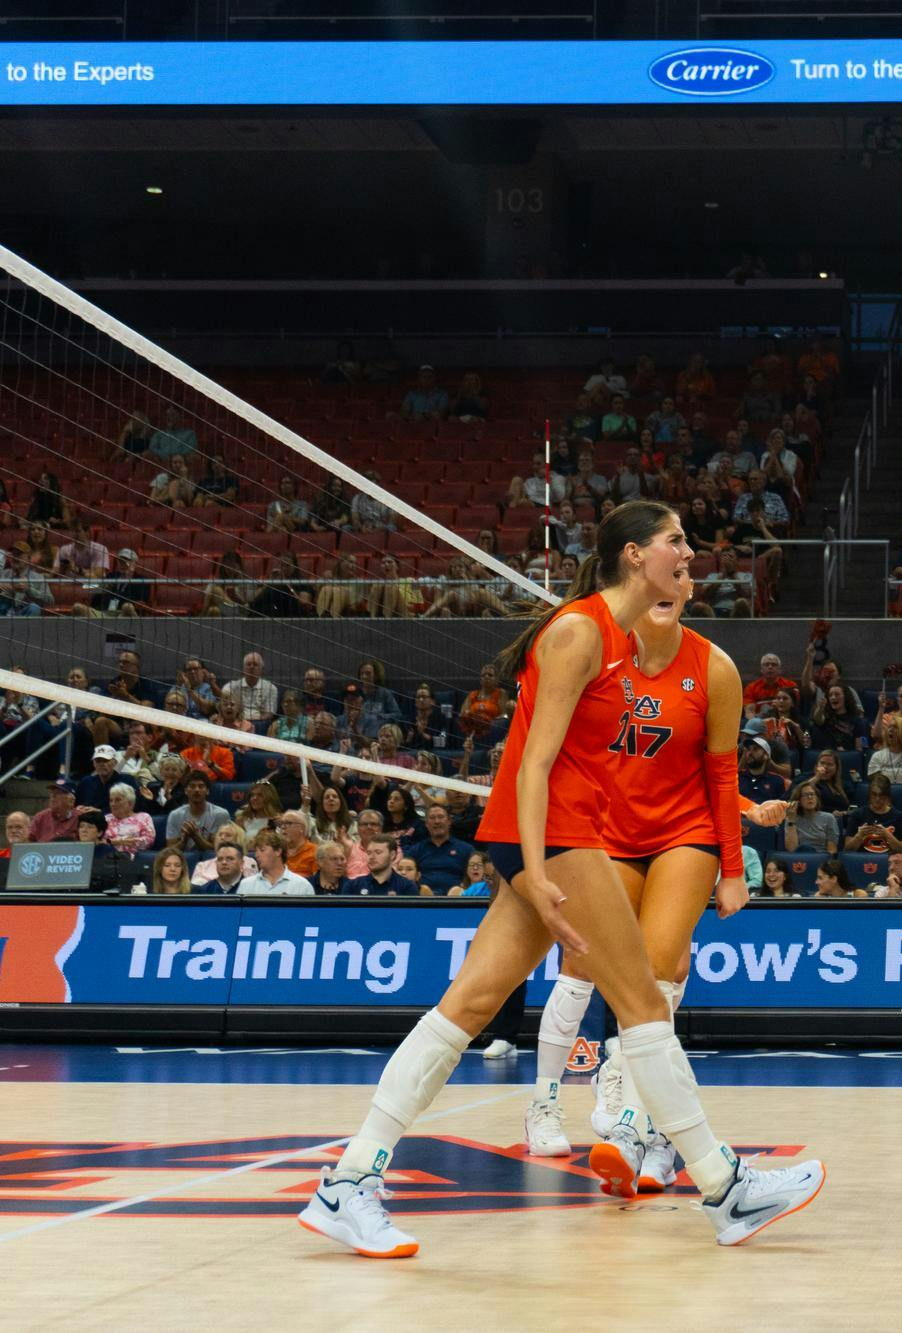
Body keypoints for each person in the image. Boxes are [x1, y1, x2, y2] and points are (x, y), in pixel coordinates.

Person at [299, 501, 820, 1259]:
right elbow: (533, 761)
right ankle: (725, 1184)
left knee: (470, 1002)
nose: (690, 552)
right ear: (637, 555)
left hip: (551, 833)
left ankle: (348, 1180)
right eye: (677, 541)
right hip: (555, 834)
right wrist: (540, 871)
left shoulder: (617, 636)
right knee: (643, 1000)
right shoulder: (580, 630)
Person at [522, 562, 803, 1219]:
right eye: (661, 576)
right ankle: (559, 1103)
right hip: (608, 831)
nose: (671, 589)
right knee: (588, 966)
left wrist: (734, 868)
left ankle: (628, 1113)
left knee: (658, 965)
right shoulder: (595, 655)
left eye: (683, 578)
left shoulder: (716, 669)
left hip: (685, 833)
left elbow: (718, 770)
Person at [241, 830, 315, 896]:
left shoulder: (302, 885)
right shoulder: (246, 885)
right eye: (256, 851)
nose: (256, 855)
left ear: (278, 851)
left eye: (262, 850)